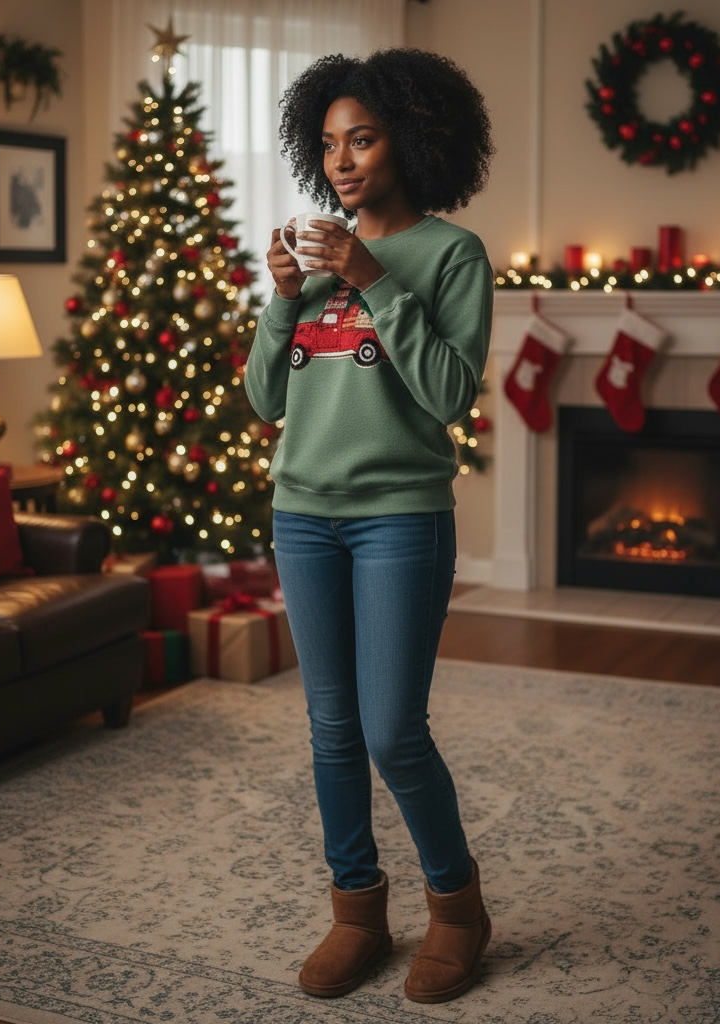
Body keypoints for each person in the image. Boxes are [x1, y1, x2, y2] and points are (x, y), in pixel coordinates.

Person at [244, 47, 495, 1005]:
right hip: (302, 516)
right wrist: (283, 299)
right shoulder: (313, 259)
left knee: (392, 731)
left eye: (364, 137)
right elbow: (266, 402)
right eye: (329, 143)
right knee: (332, 731)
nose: (343, 159)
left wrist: (371, 277)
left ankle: (458, 910)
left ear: (412, 138)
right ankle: (357, 911)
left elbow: (445, 398)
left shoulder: (450, 255)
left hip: (398, 519)